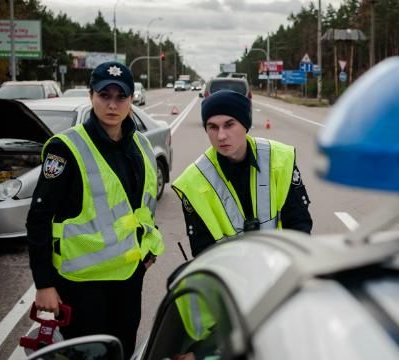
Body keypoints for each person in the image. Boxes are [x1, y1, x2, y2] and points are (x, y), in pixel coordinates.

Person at [26, 61, 165, 358]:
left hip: (128, 278)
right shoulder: (66, 148)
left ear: (131, 100)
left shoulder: (140, 144)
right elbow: (39, 218)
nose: (112, 105)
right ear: (91, 96)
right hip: (81, 285)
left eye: (121, 97)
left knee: (122, 349)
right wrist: (44, 284)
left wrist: (148, 251)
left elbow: (143, 209)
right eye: (105, 95)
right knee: (88, 354)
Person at [172, 90, 312, 257]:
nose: (221, 136)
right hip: (229, 275)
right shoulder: (193, 181)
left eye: (229, 125)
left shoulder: (280, 159)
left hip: (280, 268)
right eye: (213, 127)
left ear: (245, 124)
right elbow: (202, 248)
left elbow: (298, 225)